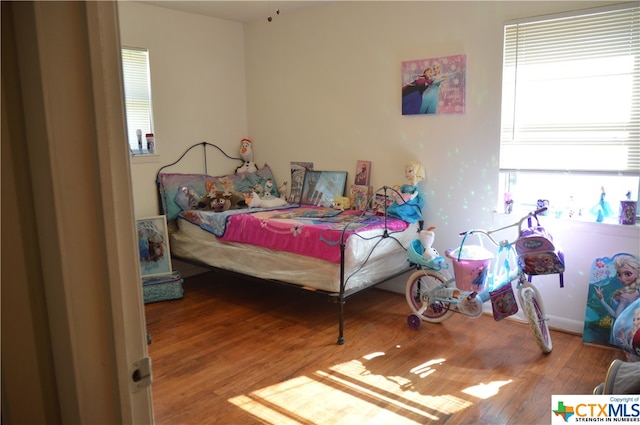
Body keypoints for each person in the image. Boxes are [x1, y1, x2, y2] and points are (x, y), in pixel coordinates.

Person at [596, 254, 640, 319]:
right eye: (619, 274)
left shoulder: (626, 295)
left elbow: (616, 316)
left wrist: (602, 301)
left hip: (619, 326)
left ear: (637, 273)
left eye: (628, 274)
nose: (622, 279)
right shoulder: (636, 292)